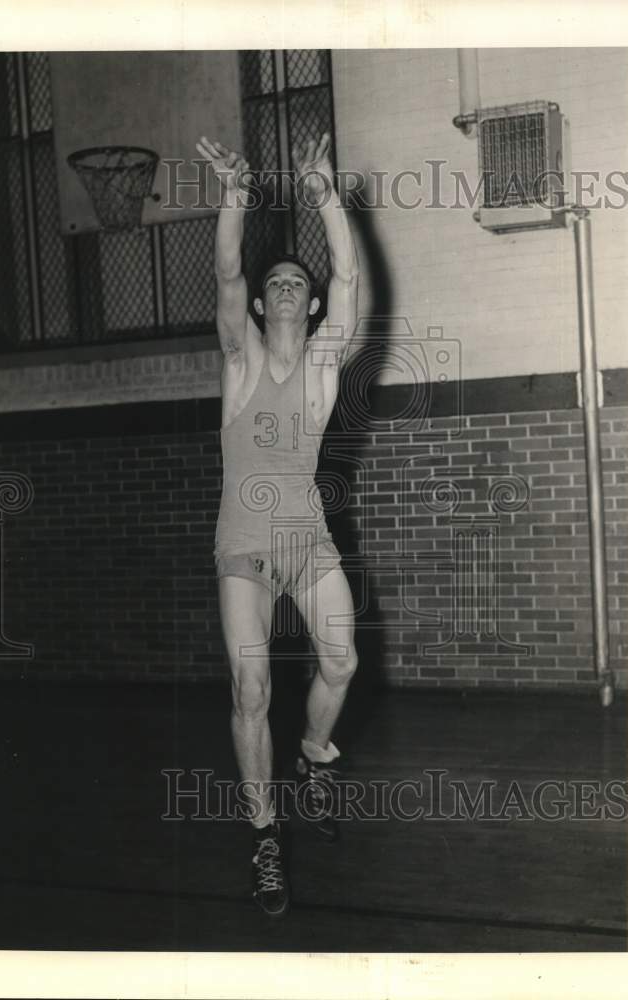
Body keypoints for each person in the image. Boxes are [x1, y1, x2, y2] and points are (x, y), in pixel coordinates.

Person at [196, 132, 359, 918]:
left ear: (312, 302)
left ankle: (315, 758)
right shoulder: (241, 361)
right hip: (244, 551)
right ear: (262, 307)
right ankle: (264, 836)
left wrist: (324, 195)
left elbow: (352, 276)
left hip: (306, 541)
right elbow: (226, 271)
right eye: (276, 283)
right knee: (251, 684)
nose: (288, 287)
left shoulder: (325, 364)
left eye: (299, 280)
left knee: (342, 661)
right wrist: (235, 196)